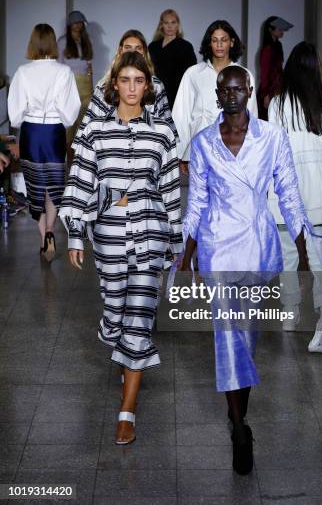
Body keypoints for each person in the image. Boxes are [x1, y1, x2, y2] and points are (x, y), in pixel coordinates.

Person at [180, 65, 311, 475]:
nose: (232, 94)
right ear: (218, 93)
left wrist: (305, 252)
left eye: (239, 88)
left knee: (246, 341)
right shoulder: (202, 143)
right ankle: (238, 427)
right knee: (228, 335)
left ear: (250, 92)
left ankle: (239, 420)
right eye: (225, 89)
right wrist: (186, 254)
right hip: (218, 248)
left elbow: (288, 190)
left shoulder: (272, 137)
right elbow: (197, 201)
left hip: (257, 247)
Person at [60, 51, 182, 446]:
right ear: (115, 84)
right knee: (115, 314)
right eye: (125, 80)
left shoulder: (163, 132)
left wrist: (176, 241)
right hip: (110, 237)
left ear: (148, 86)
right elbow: (80, 182)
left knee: (140, 319)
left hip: (151, 233)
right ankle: (121, 350)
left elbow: (169, 189)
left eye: (139, 81)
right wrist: (76, 234)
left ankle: (126, 411)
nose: (131, 88)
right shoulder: (95, 129)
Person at [268, 41, 322, 353]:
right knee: (319, 258)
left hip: (287, 192)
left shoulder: (278, 104)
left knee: (288, 255)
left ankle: (290, 312)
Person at [7, 23, 80, 259]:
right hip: (54, 133)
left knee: (34, 188)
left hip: (31, 132)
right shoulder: (63, 72)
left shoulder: (22, 72)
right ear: (52, 43)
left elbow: (15, 114)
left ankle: (43, 238)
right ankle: (51, 229)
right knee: (54, 187)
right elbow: (70, 111)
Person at [172, 20, 258, 170]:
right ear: (209, 43)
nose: (219, 45)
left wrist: (251, 151)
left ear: (231, 42)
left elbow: (251, 115)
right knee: (200, 193)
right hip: (199, 148)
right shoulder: (193, 73)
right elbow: (182, 115)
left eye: (224, 40)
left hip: (233, 150)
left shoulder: (244, 75)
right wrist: (182, 153)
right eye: (214, 40)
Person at [71, 29, 176, 151]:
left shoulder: (156, 85)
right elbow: (89, 126)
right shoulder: (104, 86)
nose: (133, 52)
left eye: (138, 48)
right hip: (111, 150)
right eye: (128, 47)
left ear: (144, 52)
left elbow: (165, 124)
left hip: (146, 150)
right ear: (120, 51)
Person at [57, 11, 93, 146]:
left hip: (85, 83)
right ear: (69, 24)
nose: (78, 25)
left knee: (85, 118)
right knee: (70, 119)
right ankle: (68, 155)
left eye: (80, 22)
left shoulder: (86, 40)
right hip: (70, 82)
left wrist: (91, 83)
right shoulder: (62, 41)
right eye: (75, 22)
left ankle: (82, 152)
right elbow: (59, 66)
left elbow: (89, 65)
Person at [148, 9, 197, 108]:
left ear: (178, 24)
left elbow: (191, 74)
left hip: (177, 96)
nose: (170, 26)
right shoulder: (153, 46)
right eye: (166, 23)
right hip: (154, 94)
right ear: (161, 25)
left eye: (173, 22)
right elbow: (146, 70)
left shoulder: (186, 47)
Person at [257, 16, 293, 120]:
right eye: (279, 28)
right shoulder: (267, 49)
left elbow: (279, 70)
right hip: (269, 90)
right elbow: (264, 73)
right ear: (270, 29)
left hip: (278, 88)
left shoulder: (278, 46)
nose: (282, 31)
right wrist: (266, 95)